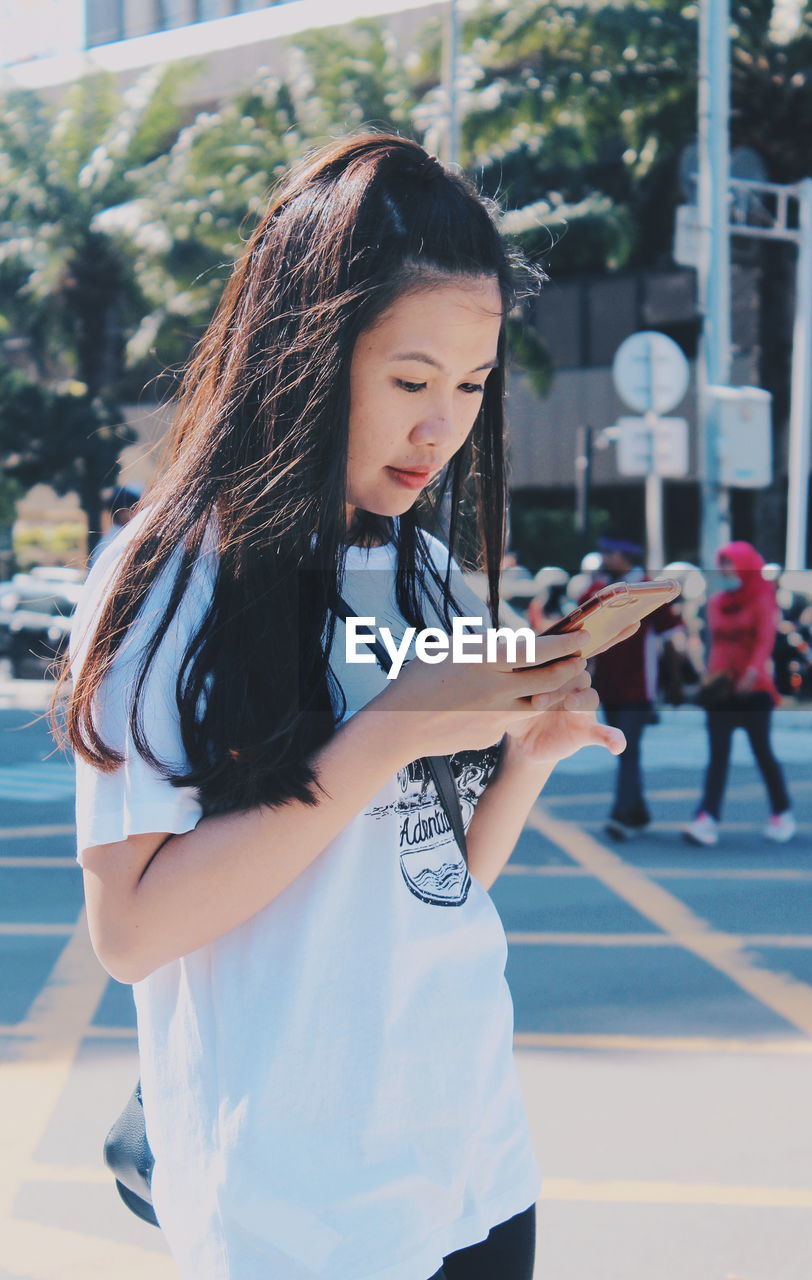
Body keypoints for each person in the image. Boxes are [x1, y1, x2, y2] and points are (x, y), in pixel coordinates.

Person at [54, 134, 634, 1280]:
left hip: (474, 1153)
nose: (442, 427)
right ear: (303, 356)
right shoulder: (171, 577)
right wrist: (389, 730)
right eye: (411, 381)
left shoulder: (423, 570)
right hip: (300, 1201)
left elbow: (433, 880)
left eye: (470, 386)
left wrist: (522, 760)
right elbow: (133, 932)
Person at [683, 541, 796, 847]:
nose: (724, 571)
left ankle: (782, 813)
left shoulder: (762, 598)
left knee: (762, 753)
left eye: (729, 564)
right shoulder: (716, 601)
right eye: (722, 565)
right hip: (722, 691)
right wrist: (708, 676)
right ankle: (706, 818)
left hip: (754, 690)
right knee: (718, 756)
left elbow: (765, 641)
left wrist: (752, 672)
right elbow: (715, 644)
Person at [578, 537, 683, 841]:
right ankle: (637, 812)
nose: (603, 559)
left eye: (608, 554)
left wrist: (675, 683)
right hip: (608, 685)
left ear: (625, 557)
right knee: (627, 753)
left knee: (628, 749)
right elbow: (581, 617)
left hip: (639, 686)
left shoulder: (648, 589)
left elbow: (671, 637)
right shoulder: (600, 588)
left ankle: (622, 815)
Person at [88, 484, 142, 567]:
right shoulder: (116, 541)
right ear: (122, 512)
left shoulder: (116, 537)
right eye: (133, 508)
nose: (137, 512)